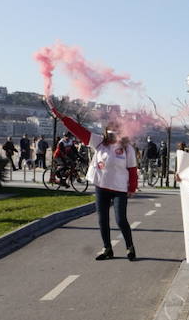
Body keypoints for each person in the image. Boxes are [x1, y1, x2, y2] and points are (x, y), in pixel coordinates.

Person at [48, 101, 138, 260]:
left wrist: (132, 188)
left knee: (120, 219)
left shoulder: (127, 148)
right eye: (109, 132)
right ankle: (107, 248)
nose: (112, 135)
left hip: (119, 189)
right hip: (101, 187)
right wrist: (62, 117)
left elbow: (132, 170)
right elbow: (79, 130)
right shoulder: (99, 142)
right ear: (105, 132)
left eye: (115, 132)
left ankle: (129, 247)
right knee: (102, 219)